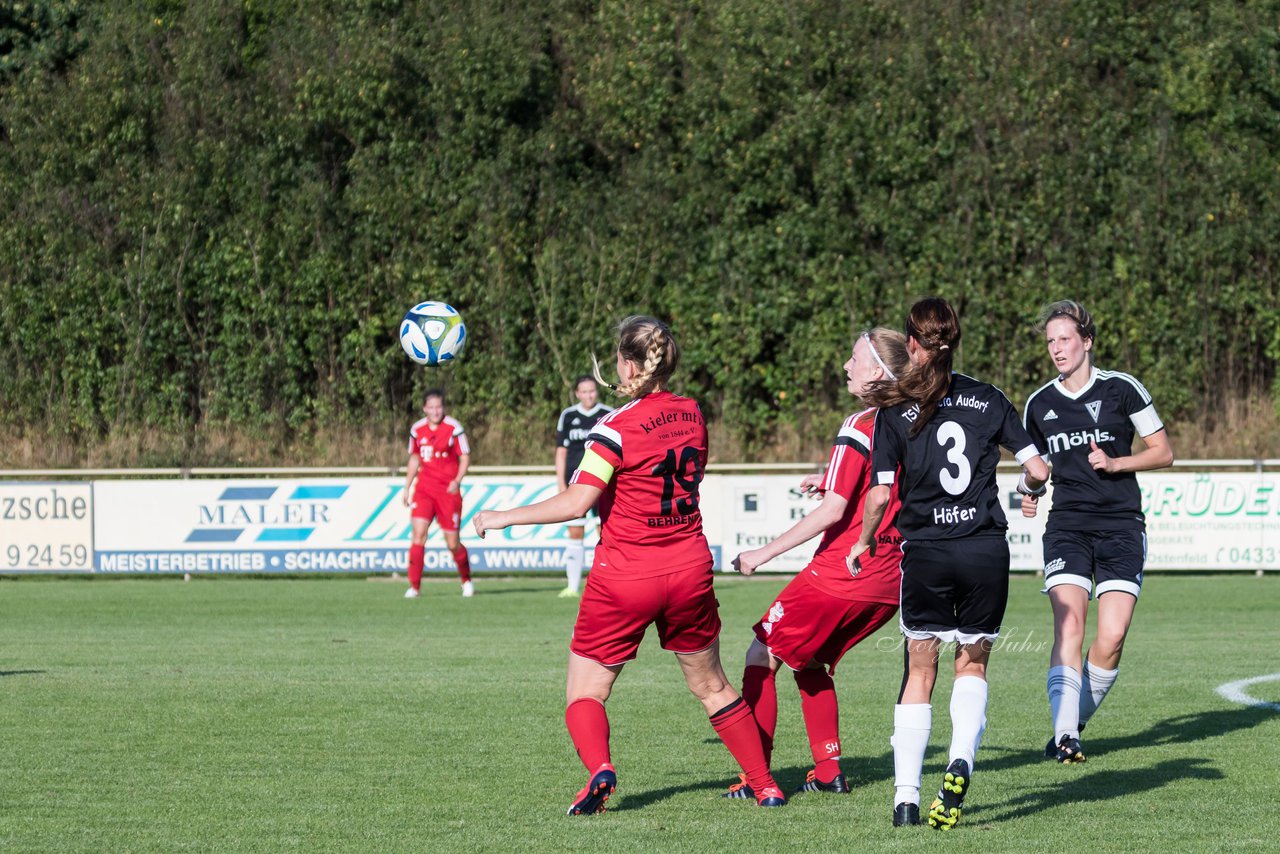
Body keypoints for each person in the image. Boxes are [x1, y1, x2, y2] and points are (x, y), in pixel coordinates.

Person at [472, 315, 786, 814]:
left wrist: (502, 517)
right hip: (688, 570)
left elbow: (577, 502)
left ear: (628, 363)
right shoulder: (693, 413)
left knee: (586, 692)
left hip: (626, 575)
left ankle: (600, 769)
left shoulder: (614, 429)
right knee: (711, 685)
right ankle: (765, 784)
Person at [848, 297, 1049, 830]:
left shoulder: (892, 411)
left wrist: (864, 541)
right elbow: (1037, 466)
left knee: (920, 668)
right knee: (973, 664)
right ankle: (960, 760)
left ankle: (906, 800)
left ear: (912, 345)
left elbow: (877, 496)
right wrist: (1029, 490)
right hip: (985, 549)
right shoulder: (989, 398)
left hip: (928, 553)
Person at [724, 329, 909, 802]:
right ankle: (828, 770)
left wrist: (760, 555)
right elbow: (884, 482)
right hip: (891, 583)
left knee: (760, 652)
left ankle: (755, 777)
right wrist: (828, 476)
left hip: (843, 573)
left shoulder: (860, 424)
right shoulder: (916, 420)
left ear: (876, 373)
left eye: (853, 359)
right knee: (807, 662)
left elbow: (833, 510)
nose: (846, 366)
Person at [1021, 300, 1174, 764]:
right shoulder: (1040, 404)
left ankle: (1072, 725)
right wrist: (1029, 490)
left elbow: (1163, 451)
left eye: (1064, 339)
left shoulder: (1122, 390)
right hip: (1067, 525)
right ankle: (1066, 734)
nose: (1056, 349)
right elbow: (1037, 469)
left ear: (1087, 342)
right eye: (1050, 342)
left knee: (1112, 636)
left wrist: (1116, 462)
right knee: (1070, 624)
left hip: (1122, 526)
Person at [402, 389, 473, 598]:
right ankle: (414, 586)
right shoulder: (417, 429)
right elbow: (415, 458)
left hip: (447, 492)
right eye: (431, 407)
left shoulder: (453, 428)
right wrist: (406, 487)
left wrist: (457, 480)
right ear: (424, 408)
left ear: (443, 407)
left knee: (452, 543)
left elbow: (465, 457)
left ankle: (466, 579)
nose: (435, 411)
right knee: (418, 536)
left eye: (438, 407)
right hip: (424, 490)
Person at [554, 376, 613, 598]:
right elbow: (561, 451)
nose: (589, 395)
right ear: (577, 393)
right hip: (575, 482)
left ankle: (606, 585)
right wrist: (561, 482)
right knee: (575, 533)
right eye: (584, 392)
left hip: (601, 484)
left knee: (606, 535)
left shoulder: (607, 414)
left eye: (592, 391)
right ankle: (572, 586)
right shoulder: (568, 416)